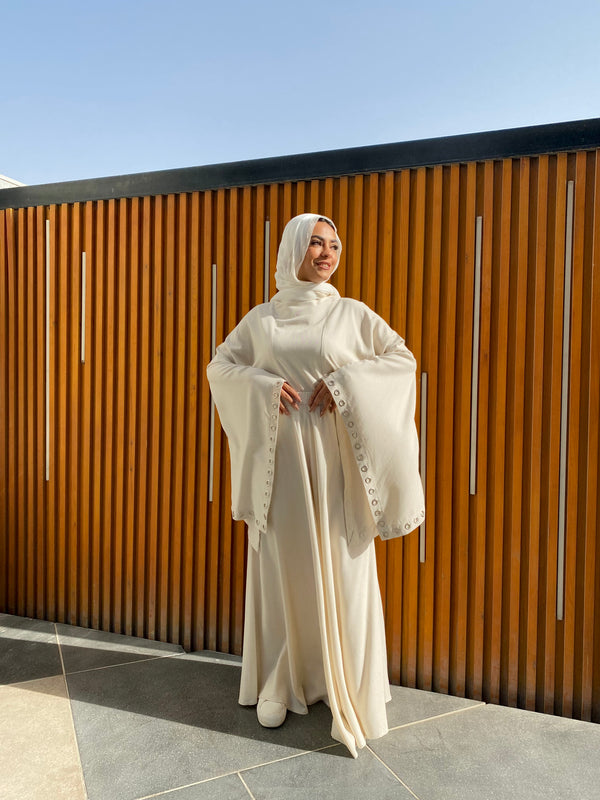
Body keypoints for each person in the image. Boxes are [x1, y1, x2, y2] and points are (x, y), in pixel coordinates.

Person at [207, 213, 424, 758]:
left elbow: (401, 359)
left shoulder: (351, 314)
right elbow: (220, 368)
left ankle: (343, 680)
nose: (326, 254)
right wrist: (261, 386)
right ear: (292, 250)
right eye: (314, 244)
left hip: (335, 466)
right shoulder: (262, 320)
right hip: (281, 466)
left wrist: (346, 381)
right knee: (286, 565)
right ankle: (282, 679)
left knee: (344, 567)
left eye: (333, 245)